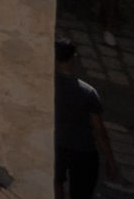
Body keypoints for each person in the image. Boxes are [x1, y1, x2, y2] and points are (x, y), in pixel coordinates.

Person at [56, 41, 106, 199]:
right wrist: (110, 161)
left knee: (56, 183)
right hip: (82, 151)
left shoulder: (46, 85)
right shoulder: (88, 93)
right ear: (73, 58)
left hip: (57, 145)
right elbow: (99, 130)